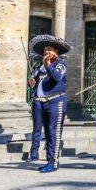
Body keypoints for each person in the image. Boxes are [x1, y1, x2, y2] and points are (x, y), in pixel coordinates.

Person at [28, 34, 71, 173]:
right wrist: (31, 82)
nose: (47, 52)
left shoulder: (60, 64)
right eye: (45, 50)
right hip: (40, 102)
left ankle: (53, 162)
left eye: (50, 50)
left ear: (56, 52)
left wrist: (48, 65)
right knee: (46, 131)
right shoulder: (40, 68)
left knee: (54, 132)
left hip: (55, 101)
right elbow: (37, 82)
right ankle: (48, 160)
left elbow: (57, 78)